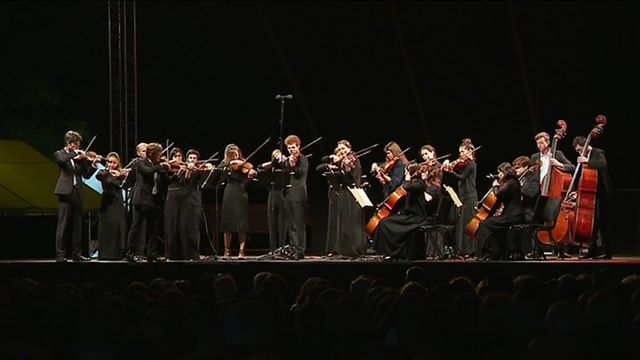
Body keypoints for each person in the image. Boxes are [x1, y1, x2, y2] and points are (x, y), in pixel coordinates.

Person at [374, 162, 441, 260]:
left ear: (410, 172)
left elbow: (406, 186)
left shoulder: (419, 184)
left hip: (416, 218)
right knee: (385, 221)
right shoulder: (414, 183)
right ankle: (394, 252)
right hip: (410, 217)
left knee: (385, 223)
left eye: (406, 171)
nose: (404, 173)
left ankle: (393, 252)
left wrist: (407, 178)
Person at [53, 130, 99, 262]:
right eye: (77, 144)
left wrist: (91, 163)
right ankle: (60, 255)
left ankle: (77, 254)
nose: (79, 147)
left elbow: (86, 175)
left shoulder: (79, 158)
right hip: (65, 192)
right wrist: (74, 154)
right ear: (69, 143)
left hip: (77, 192)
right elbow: (62, 160)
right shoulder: (60, 154)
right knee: (63, 224)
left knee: (78, 224)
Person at [318, 140, 367, 258]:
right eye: (339, 149)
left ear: (349, 149)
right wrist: (332, 160)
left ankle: (351, 249)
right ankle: (337, 248)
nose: (341, 151)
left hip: (351, 193)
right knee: (337, 222)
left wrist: (347, 168)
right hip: (338, 192)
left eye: (343, 149)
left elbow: (354, 179)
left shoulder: (354, 160)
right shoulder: (336, 160)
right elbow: (320, 164)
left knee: (349, 223)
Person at [125, 142, 171, 262]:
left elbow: (166, 181)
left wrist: (176, 175)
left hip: (154, 201)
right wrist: (160, 165)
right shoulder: (139, 163)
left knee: (153, 229)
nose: (161, 156)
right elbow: (147, 172)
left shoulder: (157, 165)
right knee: (136, 228)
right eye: (159, 154)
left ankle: (152, 255)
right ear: (152, 154)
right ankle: (130, 254)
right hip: (141, 200)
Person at [572, 135, 612, 259]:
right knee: (592, 224)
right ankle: (592, 250)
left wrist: (586, 161)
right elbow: (581, 176)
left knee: (603, 222)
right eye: (577, 151)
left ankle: (608, 251)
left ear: (585, 145)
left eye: (580, 149)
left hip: (602, 193)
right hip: (590, 192)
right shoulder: (583, 156)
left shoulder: (598, 152)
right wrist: (576, 191)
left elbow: (603, 164)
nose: (579, 152)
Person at [476, 162, 525, 260]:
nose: (499, 175)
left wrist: (495, 185)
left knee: (484, 225)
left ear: (505, 171)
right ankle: (497, 252)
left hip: (513, 216)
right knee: (490, 224)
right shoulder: (511, 182)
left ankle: (490, 252)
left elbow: (498, 193)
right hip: (511, 215)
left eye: (500, 173)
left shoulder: (511, 182)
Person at [218, 144, 257, 259]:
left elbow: (248, 176)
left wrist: (250, 176)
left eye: (237, 154)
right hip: (229, 192)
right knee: (227, 222)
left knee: (242, 223)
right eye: (232, 155)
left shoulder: (244, 163)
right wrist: (229, 163)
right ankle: (227, 251)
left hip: (241, 192)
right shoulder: (225, 163)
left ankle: (242, 252)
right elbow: (219, 169)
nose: (235, 157)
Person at [442, 138, 478, 258]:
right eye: (460, 152)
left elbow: (462, 177)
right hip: (462, 196)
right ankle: (462, 249)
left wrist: (450, 171)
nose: (461, 154)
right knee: (461, 223)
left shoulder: (471, 164)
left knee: (468, 224)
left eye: (463, 151)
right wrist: (448, 167)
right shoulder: (463, 164)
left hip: (470, 196)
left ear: (470, 152)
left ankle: (470, 250)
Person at [95, 152, 129, 260]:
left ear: (118, 163)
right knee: (107, 228)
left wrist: (122, 175)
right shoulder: (103, 172)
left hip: (118, 201)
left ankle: (119, 253)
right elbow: (99, 177)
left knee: (118, 226)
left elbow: (125, 184)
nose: (111, 164)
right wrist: (108, 172)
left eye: (114, 162)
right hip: (107, 201)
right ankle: (106, 254)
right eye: (109, 162)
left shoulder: (120, 173)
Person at [281, 135, 309, 260]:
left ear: (298, 146)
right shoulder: (287, 160)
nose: (291, 150)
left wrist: (293, 165)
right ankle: (293, 247)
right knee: (290, 224)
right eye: (289, 148)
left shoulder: (303, 159)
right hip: (287, 194)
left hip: (299, 194)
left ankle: (300, 250)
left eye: (293, 147)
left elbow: (299, 174)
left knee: (299, 224)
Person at [257, 149, 287, 254]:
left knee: (282, 222)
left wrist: (284, 160)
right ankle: (273, 249)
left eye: (278, 155)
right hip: (272, 193)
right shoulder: (271, 167)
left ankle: (282, 247)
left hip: (283, 194)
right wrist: (272, 162)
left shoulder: (285, 164)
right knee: (272, 222)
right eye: (274, 155)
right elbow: (259, 167)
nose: (276, 157)